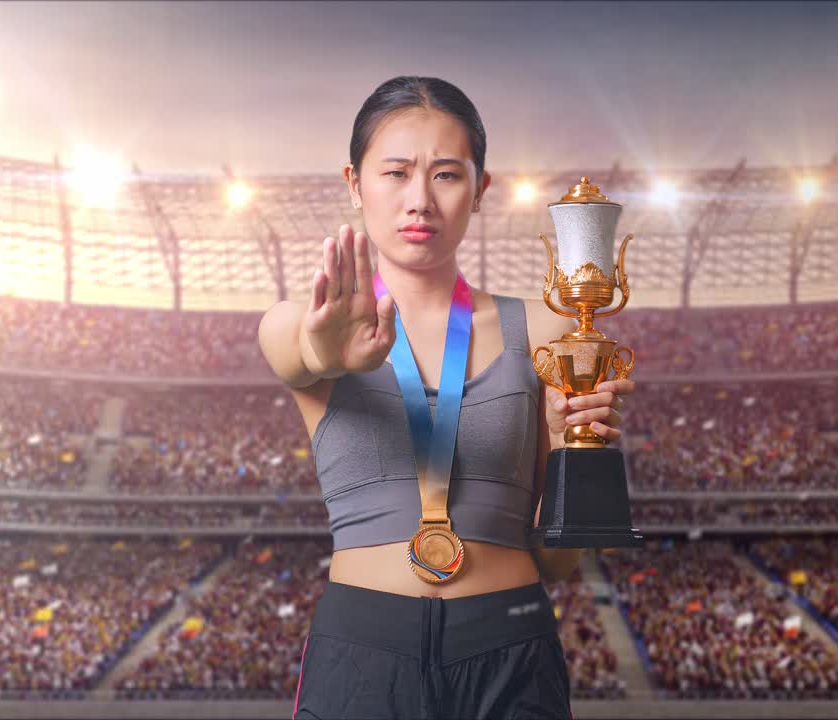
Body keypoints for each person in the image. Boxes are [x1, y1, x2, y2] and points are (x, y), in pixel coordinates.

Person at [258, 75, 634, 720]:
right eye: (396, 172)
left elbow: (559, 561)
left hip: (511, 639)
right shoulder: (299, 321)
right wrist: (329, 354)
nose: (419, 201)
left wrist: (577, 445)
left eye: (447, 175)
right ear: (354, 183)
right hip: (364, 651)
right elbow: (302, 356)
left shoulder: (544, 332)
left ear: (481, 190)